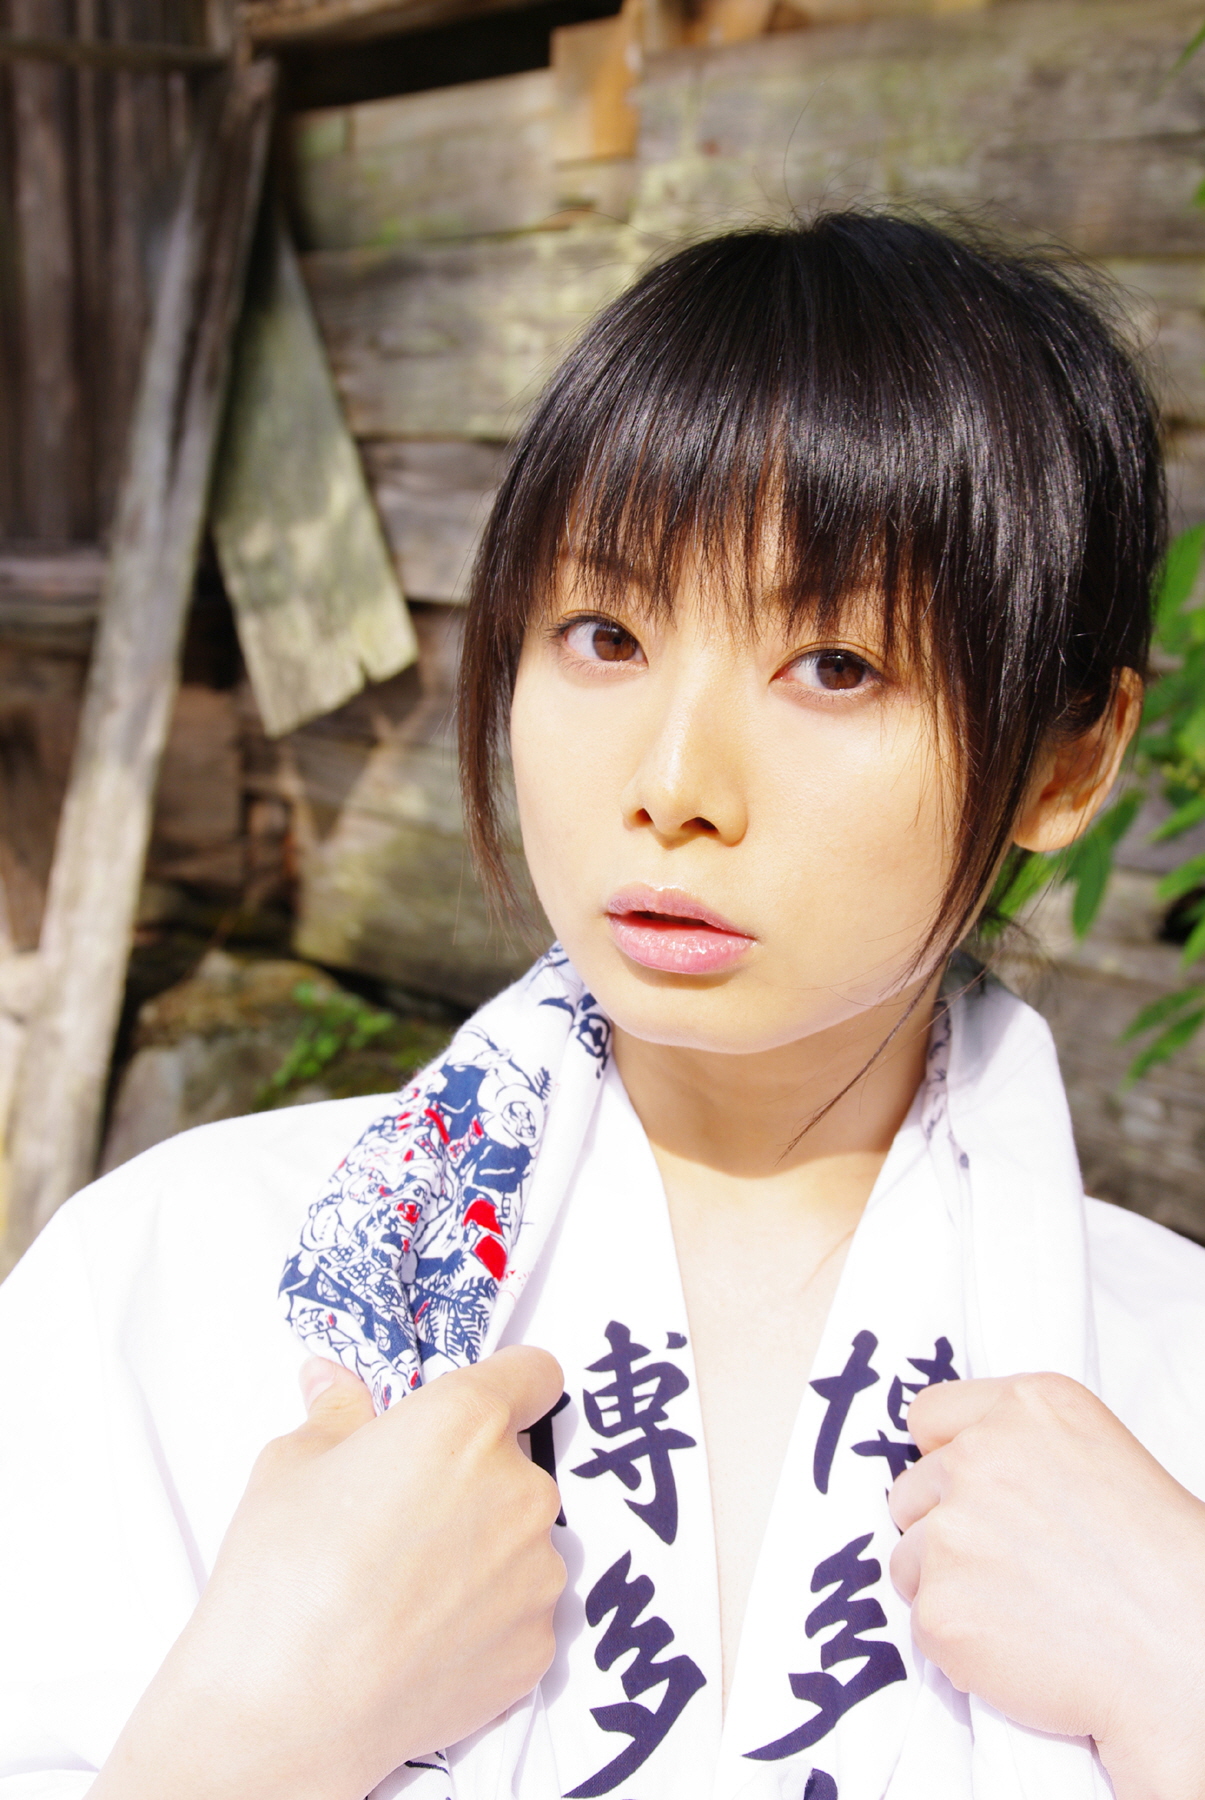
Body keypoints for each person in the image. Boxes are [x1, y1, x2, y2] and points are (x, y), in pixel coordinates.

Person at [2, 211, 1205, 1800]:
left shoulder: (1165, 1381)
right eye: (603, 634)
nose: (672, 782)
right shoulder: (183, 1271)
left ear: (1067, 759)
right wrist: (256, 1727)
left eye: (835, 665)